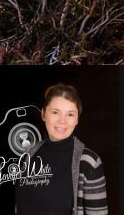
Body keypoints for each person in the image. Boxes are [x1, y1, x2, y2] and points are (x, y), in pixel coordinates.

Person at [15, 84, 108, 215]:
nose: (62, 121)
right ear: (43, 114)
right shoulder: (30, 154)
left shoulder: (89, 162)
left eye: (70, 114)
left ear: (77, 119)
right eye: (55, 112)